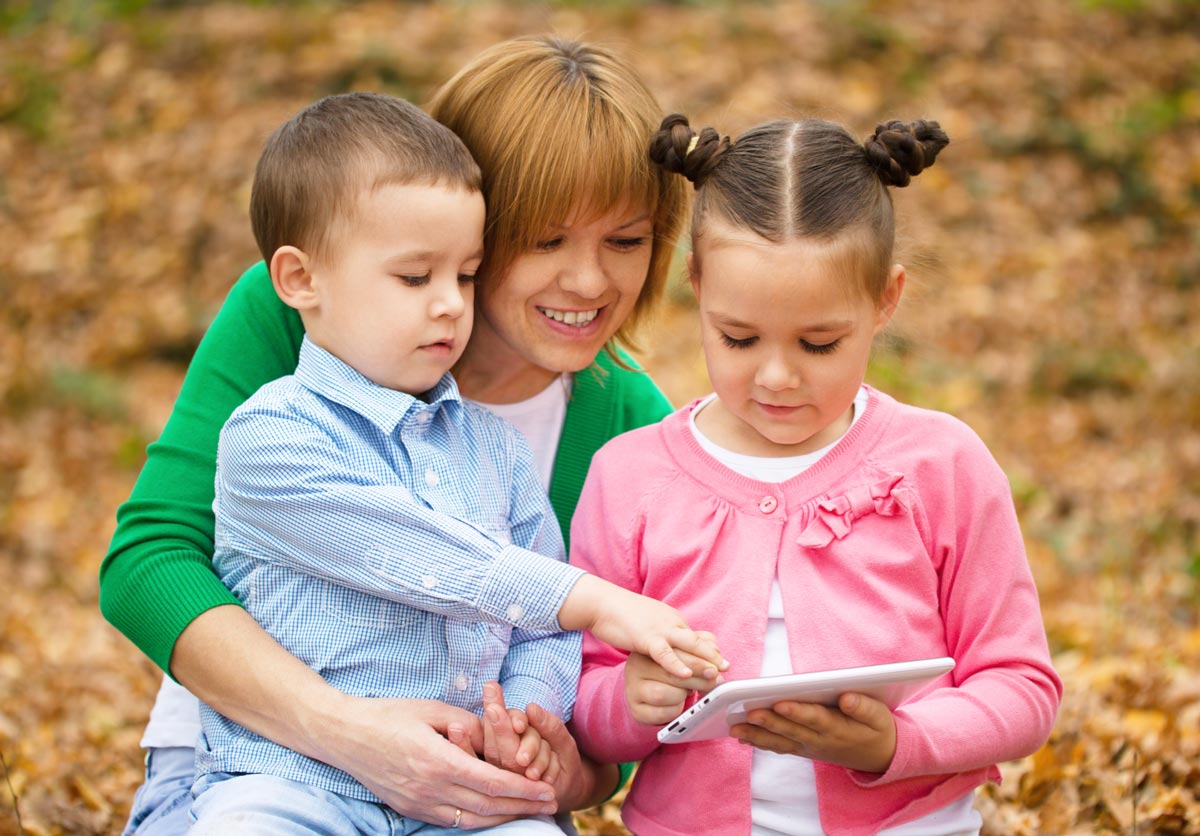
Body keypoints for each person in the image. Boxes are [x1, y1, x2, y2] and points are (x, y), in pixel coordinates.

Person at [101, 36, 708, 834]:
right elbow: (151, 561)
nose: (591, 281)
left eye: (625, 241)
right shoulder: (306, 314)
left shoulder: (627, 422)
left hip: (471, 797)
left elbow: (609, 688)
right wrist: (343, 731)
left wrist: (565, 765)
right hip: (263, 763)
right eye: (546, 239)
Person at [568, 114, 1064, 836]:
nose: (776, 377)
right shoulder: (630, 477)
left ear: (884, 301)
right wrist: (629, 701)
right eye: (738, 337)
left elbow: (1021, 686)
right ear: (698, 287)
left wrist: (899, 743)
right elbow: (579, 697)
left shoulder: (941, 465)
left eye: (820, 343)